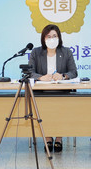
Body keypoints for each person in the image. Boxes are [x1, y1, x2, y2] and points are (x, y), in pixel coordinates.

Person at [28, 24, 78, 152]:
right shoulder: (36, 52)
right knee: (44, 108)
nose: (52, 39)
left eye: (54, 36)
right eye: (48, 36)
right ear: (43, 38)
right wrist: (41, 77)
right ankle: (48, 138)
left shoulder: (66, 52)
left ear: (59, 38)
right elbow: (29, 72)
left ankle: (59, 138)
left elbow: (73, 72)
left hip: (62, 91)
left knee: (61, 108)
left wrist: (63, 76)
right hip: (41, 92)